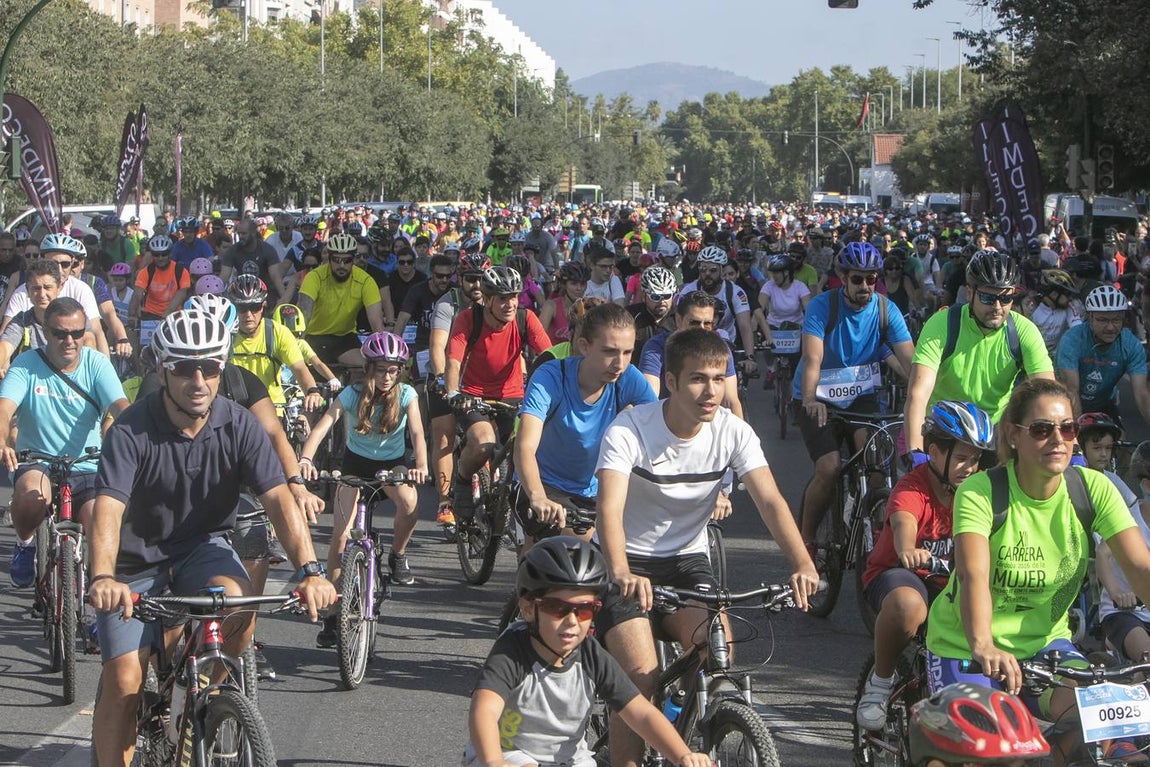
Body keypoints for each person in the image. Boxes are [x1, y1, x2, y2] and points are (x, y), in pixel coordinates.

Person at [87, 310, 336, 767]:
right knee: (124, 684)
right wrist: (103, 575)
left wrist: (311, 570)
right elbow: (108, 509)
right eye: (185, 368)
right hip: (132, 562)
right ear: (163, 370)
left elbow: (278, 499)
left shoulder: (239, 425)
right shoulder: (130, 429)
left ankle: (205, 693)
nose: (198, 380)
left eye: (210, 367)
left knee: (239, 604)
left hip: (201, 549)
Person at [595, 327, 819, 767]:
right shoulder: (629, 430)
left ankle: (680, 718)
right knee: (639, 680)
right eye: (698, 379)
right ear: (671, 382)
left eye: (718, 379)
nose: (711, 391)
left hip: (686, 559)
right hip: (626, 562)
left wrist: (802, 563)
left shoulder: (733, 432)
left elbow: (770, 501)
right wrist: (620, 570)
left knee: (716, 653)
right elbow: (609, 508)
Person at [924, 378, 1150, 764]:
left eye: (1068, 428)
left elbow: (1140, 565)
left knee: (1100, 720)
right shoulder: (979, 492)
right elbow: (973, 575)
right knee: (982, 753)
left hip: (1047, 646)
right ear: (1014, 435)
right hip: (966, 646)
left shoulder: (1093, 489)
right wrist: (983, 644)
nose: (1058, 440)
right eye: (1042, 429)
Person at [464, 536, 712, 767]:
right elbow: (484, 709)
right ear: (528, 609)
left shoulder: (589, 653)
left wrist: (683, 755)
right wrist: (493, 761)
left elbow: (641, 713)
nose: (572, 621)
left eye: (584, 610)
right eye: (557, 608)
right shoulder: (513, 649)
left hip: (570, 759)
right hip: (506, 752)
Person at [855, 401, 996, 731]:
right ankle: (880, 682)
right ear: (933, 453)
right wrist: (909, 549)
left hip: (953, 582)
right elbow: (903, 524)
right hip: (900, 575)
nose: (970, 468)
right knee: (909, 606)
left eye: (975, 460)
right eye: (961, 458)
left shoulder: (981, 491)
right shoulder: (911, 488)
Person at [299, 332, 427, 644]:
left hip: (392, 466)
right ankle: (333, 616)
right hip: (355, 465)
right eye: (381, 369)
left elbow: (417, 433)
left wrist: (422, 465)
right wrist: (305, 458)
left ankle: (397, 555)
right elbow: (323, 426)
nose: (387, 377)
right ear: (369, 369)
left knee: (409, 502)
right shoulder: (352, 394)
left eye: (393, 370)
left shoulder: (407, 394)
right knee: (340, 539)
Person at [2, 297, 130, 588]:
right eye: (60, 333)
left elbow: (120, 407)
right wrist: (1, 440)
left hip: (87, 463)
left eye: (77, 333)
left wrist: (139, 435)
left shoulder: (97, 364)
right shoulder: (26, 364)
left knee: (101, 524)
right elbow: (4, 410)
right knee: (31, 496)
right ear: (46, 332)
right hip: (38, 460)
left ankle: (96, 592)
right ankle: (25, 543)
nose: (69, 341)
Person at [795, 241, 914, 552]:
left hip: (860, 395)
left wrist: (926, 398)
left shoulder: (887, 310)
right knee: (829, 467)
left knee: (877, 465)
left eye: (871, 279)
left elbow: (910, 362)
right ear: (843, 278)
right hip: (818, 395)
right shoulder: (822, 306)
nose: (865, 286)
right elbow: (812, 359)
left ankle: (860, 510)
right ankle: (804, 543)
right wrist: (809, 399)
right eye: (857, 279)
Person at [515, 304, 656, 544]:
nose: (620, 364)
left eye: (628, 353)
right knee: (558, 555)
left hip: (598, 488)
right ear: (584, 346)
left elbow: (660, 428)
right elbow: (525, 446)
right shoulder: (551, 376)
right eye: (609, 351)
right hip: (545, 485)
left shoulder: (628, 377)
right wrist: (538, 496)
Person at [904, 250, 1054, 460]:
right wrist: (916, 453)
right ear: (969, 293)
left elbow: (1048, 394)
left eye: (1006, 298)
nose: (997, 307)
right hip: (944, 429)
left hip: (994, 432)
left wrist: (1073, 448)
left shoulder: (1023, 331)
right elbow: (917, 395)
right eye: (988, 297)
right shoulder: (942, 324)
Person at [444, 266, 552, 518]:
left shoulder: (526, 319)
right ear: (488, 299)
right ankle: (462, 481)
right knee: (483, 442)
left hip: (513, 396)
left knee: (526, 448)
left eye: (514, 297)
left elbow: (549, 358)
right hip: (472, 396)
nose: (510, 304)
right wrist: (452, 392)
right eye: (503, 298)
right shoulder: (468, 319)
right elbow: (453, 361)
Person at [638, 290, 744, 419]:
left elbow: (731, 401)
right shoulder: (656, 347)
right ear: (678, 320)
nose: (701, 329)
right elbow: (649, 399)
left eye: (707, 324)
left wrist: (741, 431)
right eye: (694, 323)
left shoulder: (721, 349)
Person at [225, 275, 324, 413]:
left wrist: (312, 391)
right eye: (241, 308)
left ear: (263, 305)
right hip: (234, 411)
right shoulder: (223, 335)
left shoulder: (278, 332)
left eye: (254, 307)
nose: (248, 314)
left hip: (272, 409)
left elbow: (299, 368)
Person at [1056, 284, 1150, 425]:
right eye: (1102, 320)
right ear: (1089, 318)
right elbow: (1071, 391)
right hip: (1065, 402)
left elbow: (1142, 394)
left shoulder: (1131, 345)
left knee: (1118, 437)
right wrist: (1079, 432)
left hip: (1103, 403)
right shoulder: (1071, 340)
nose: (1110, 327)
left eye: (1116, 320)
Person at [1097, 441, 1150, 663]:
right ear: (1146, 485)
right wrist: (1116, 592)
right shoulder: (1129, 518)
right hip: (1126, 613)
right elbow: (1103, 553)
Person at [299, 233, 385, 366]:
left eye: (347, 260)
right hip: (313, 337)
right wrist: (297, 345)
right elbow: (304, 316)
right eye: (336, 260)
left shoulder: (365, 281)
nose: (342, 265)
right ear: (329, 258)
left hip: (345, 338)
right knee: (309, 371)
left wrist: (383, 357)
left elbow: (377, 324)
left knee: (365, 367)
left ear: (353, 259)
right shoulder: (314, 277)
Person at [676, 246, 757, 373]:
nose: (707, 274)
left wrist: (749, 357)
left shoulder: (736, 292)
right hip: (694, 346)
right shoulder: (688, 291)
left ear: (722, 271)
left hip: (726, 348)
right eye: (703, 270)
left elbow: (745, 326)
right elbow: (679, 324)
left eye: (713, 270)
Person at [219, 218, 284, 305]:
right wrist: (213, 295)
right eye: (239, 233)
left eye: (244, 233)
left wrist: (284, 299)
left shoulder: (267, 250)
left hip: (265, 293)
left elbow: (275, 276)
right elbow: (224, 276)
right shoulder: (233, 250)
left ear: (253, 233)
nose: (240, 236)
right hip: (242, 293)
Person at [1028, 269, 1082, 354]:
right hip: (1034, 353)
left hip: (1058, 356)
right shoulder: (1031, 308)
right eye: (1067, 293)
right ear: (1053, 293)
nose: (1070, 298)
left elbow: (1078, 329)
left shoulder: (1068, 307)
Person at [539, 261, 589, 344]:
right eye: (574, 284)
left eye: (583, 284)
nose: (579, 288)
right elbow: (538, 337)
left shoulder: (590, 306)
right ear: (564, 285)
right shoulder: (551, 306)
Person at [626, 265, 677, 345]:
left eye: (667, 295)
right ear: (644, 297)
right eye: (655, 296)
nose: (662, 301)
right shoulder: (629, 316)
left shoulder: (680, 317)